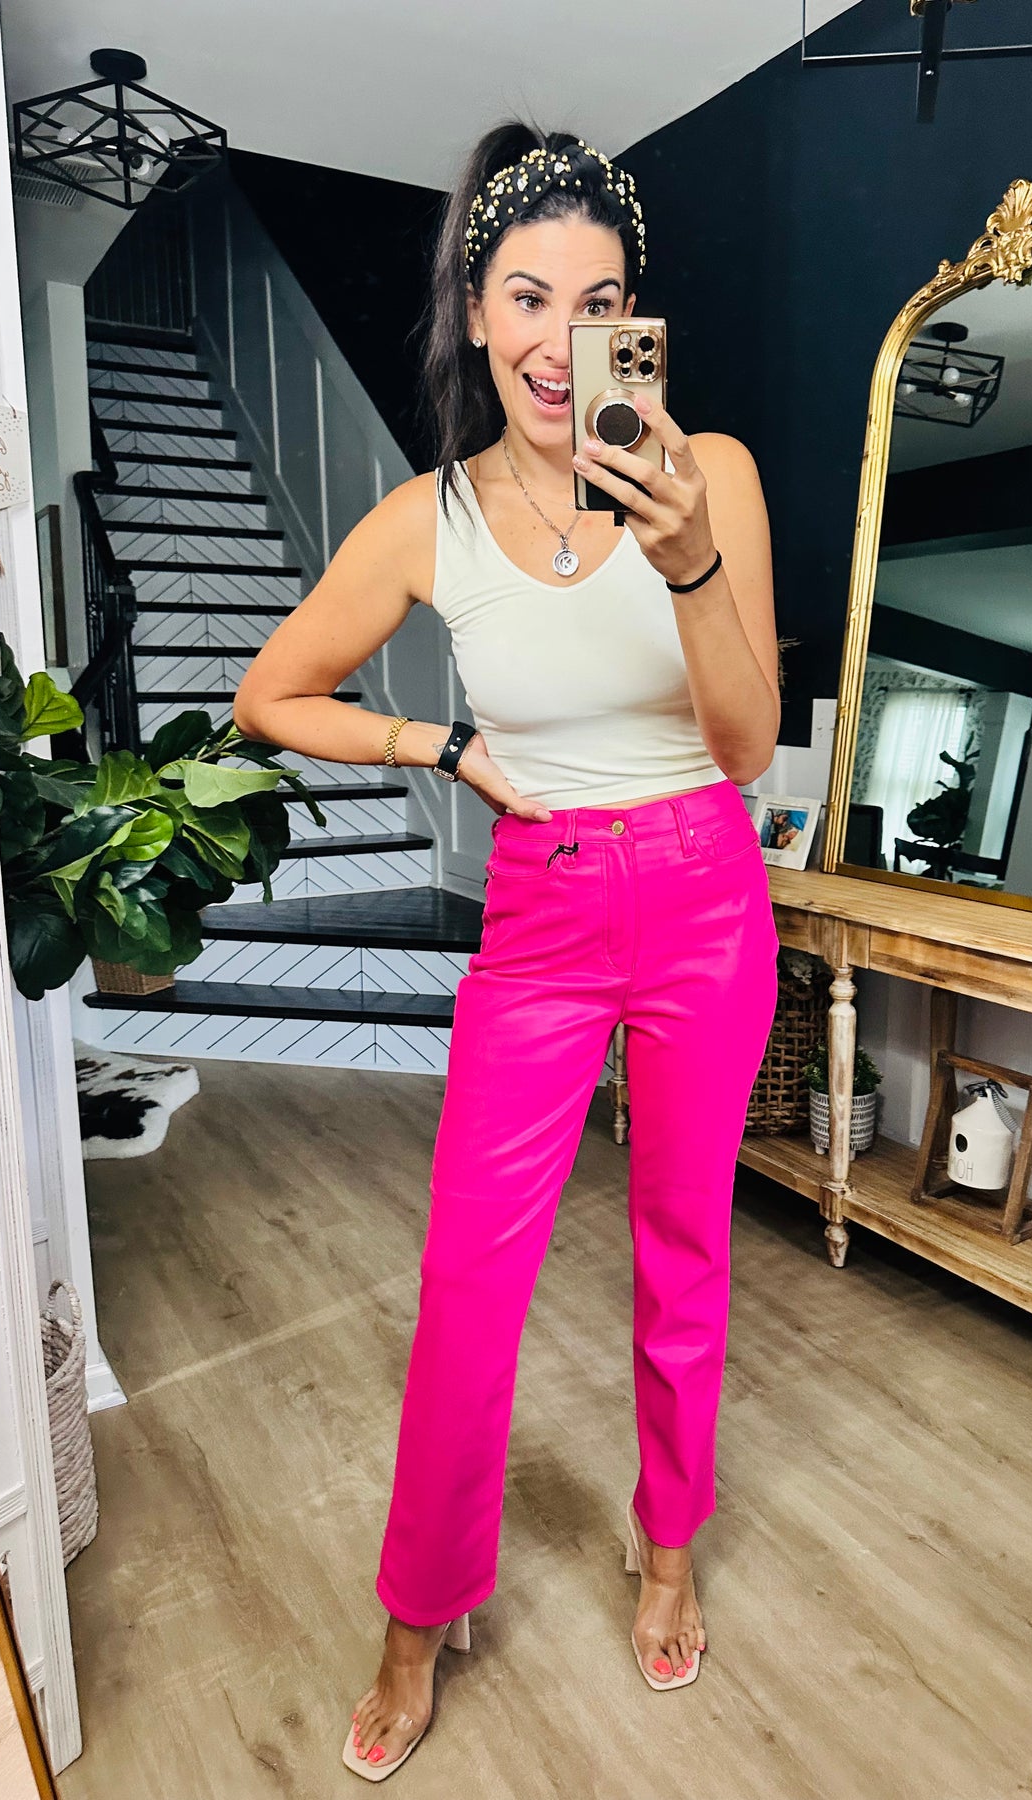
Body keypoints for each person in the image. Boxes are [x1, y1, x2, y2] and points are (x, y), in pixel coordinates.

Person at [233, 121, 781, 1780]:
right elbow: (274, 693)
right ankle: (418, 1612)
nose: (559, 339)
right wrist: (440, 746)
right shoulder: (427, 520)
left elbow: (746, 745)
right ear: (475, 313)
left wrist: (686, 557)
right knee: (472, 1276)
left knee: (684, 1249)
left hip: (704, 893)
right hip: (541, 912)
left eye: (597, 303)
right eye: (527, 297)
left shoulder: (711, 472)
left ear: (635, 324)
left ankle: (666, 1543)